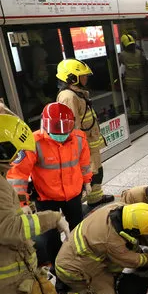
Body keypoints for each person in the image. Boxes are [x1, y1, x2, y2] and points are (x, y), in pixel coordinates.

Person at [0, 114, 94, 294]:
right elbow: (8, 229)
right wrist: (51, 218)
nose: (18, 159)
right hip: (7, 272)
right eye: (15, 154)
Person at [7, 102, 92, 265]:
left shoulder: (79, 138)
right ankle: (58, 265)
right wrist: (22, 202)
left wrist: (87, 181)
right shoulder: (33, 142)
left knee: (77, 229)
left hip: (73, 195)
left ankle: (81, 260)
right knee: (50, 237)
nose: (61, 133)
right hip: (46, 198)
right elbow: (18, 174)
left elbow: (84, 163)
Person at [55, 202, 148, 294]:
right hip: (74, 268)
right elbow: (132, 260)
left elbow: (146, 219)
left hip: (81, 254)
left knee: (117, 265)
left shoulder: (120, 208)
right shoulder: (111, 241)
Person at [56, 59, 114, 207]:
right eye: (82, 75)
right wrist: (78, 149)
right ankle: (78, 203)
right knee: (90, 174)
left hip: (90, 143)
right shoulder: (68, 97)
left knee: (96, 171)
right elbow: (72, 127)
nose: (86, 78)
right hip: (84, 146)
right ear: (71, 78)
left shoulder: (77, 94)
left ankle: (95, 198)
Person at [119, 33, 148, 124]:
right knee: (144, 99)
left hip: (130, 83)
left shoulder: (122, 55)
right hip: (142, 81)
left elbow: (120, 68)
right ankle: (146, 116)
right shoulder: (139, 53)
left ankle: (135, 117)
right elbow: (146, 64)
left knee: (133, 101)